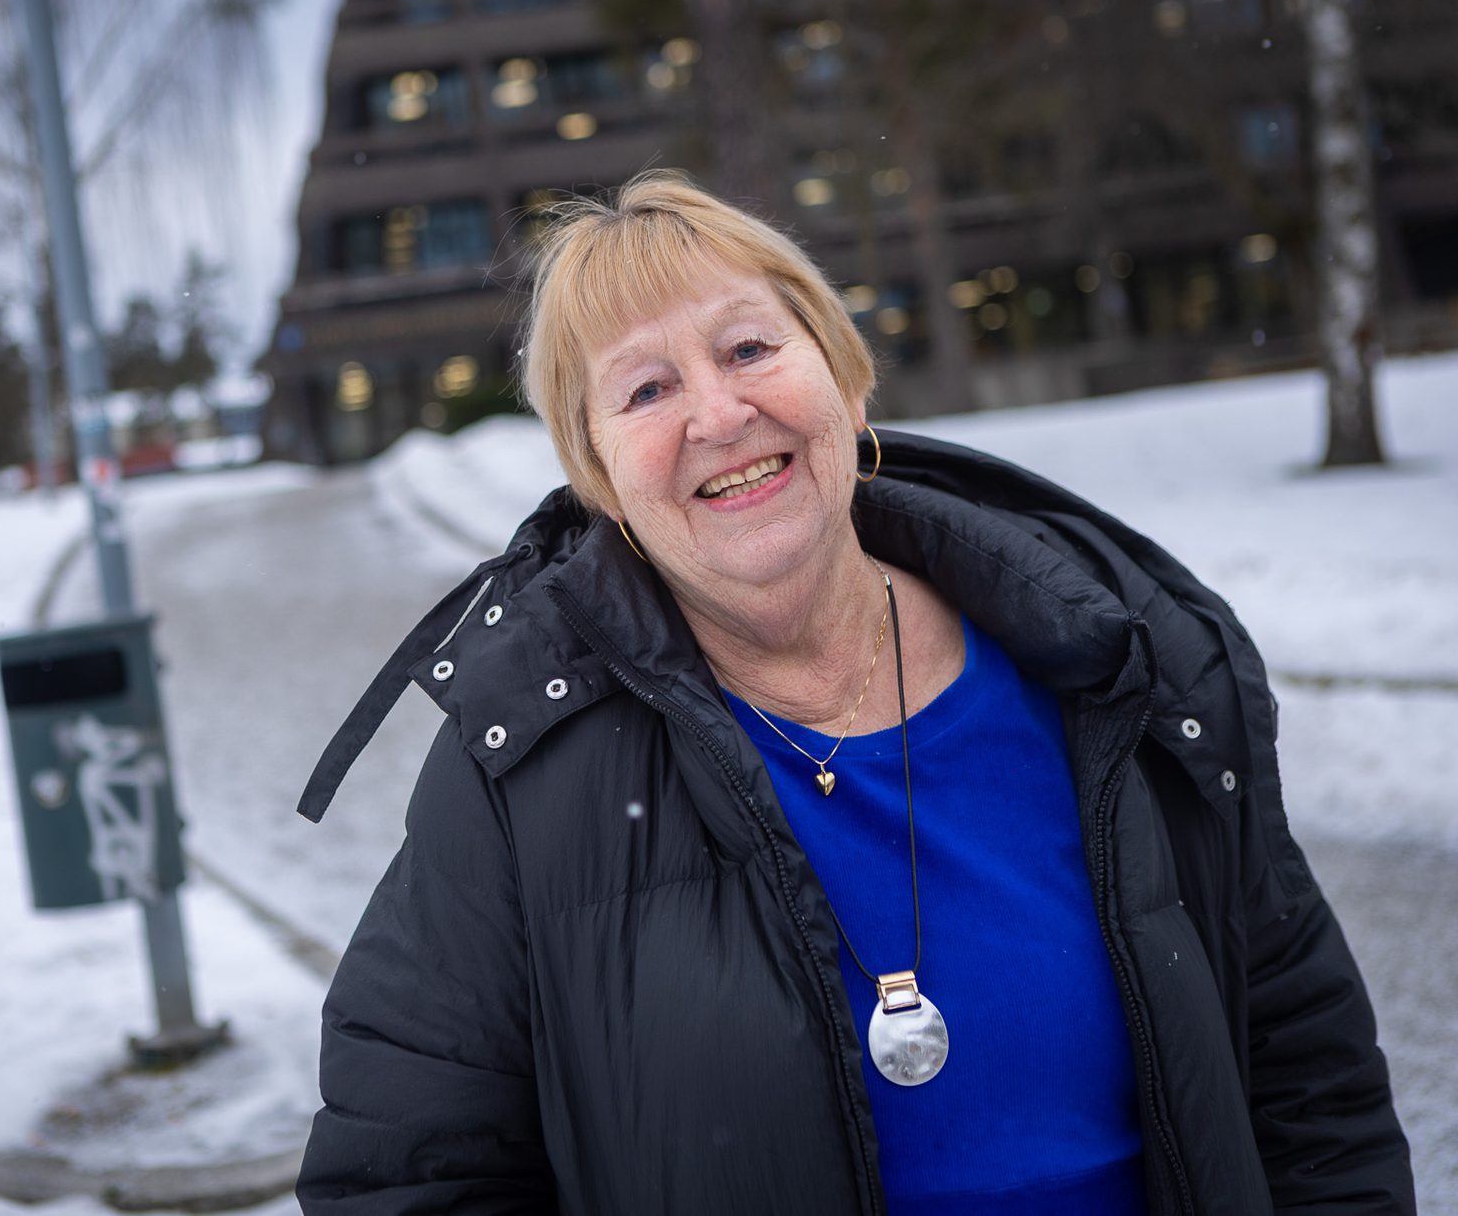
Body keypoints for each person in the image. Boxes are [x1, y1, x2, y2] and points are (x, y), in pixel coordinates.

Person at [292, 173, 1413, 1214]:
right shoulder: (526, 764)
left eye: (748, 347)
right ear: (598, 477)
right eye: (645, 387)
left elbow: (1309, 1082)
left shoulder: (1115, 665)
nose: (719, 414)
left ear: (842, 371)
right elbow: (404, 1177)